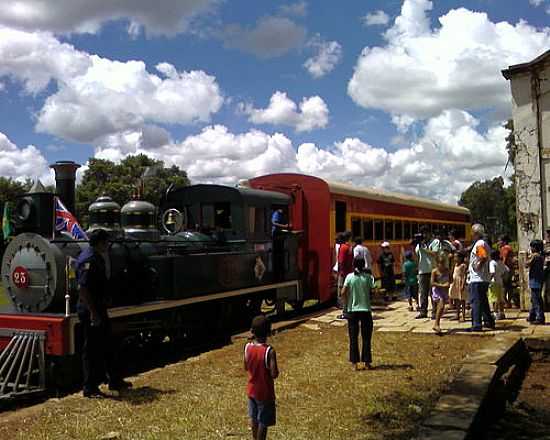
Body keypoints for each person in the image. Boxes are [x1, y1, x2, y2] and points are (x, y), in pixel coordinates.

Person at [76, 229, 131, 398]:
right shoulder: (89, 259)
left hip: (98, 307)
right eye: (106, 242)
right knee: (92, 349)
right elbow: (83, 288)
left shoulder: (96, 256)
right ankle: (89, 387)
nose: (108, 245)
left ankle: (114, 379)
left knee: (108, 344)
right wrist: (93, 313)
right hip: (90, 310)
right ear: (99, 242)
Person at [244, 315, 279, 440]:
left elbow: (246, 366)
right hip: (265, 393)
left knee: (254, 419)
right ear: (269, 332)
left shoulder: (247, 347)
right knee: (263, 422)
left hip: (251, 391)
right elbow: (274, 374)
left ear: (252, 331)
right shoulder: (269, 351)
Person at [341, 258, 375, 371]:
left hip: (352, 311)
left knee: (353, 337)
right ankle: (366, 362)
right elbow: (373, 291)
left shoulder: (349, 277)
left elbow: (343, 292)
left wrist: (346, 304)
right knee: (366, 338)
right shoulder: (368, 277)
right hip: (365, 310)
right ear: (364, 265)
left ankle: (354, 363)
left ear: (353, 264)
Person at [468, 224, 495, 332]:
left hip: (477, 278)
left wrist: (477, 266)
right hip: (482, 278)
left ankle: (476, 324)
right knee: (483, 301)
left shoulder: (479, 243)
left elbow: (483, 256)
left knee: (476, 302)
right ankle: (489, 321)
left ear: (476, 233)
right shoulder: (483, 243)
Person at [415, 228, 435, 319]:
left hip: (432, 270)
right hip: (422, 271)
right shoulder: (419, 245)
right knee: (423, 293)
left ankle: (435, 311)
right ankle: (423, 311)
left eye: (426, 233)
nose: (424, 236)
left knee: (433, 293)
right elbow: (417, 256)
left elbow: (435, 253)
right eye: (423, 234)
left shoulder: (435, 242)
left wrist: (424, 249)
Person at [526, 240, 546, 325]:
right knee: (534, 299)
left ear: (534, 248)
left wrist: (527, 256)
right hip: (539, 280)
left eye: (531, 247)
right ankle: (532, 315)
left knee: (536, 300)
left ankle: (539, 317)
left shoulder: (534, 256)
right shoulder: (541, 256)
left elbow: (527, 264)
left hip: (535, 281)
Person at [431, 255, 450, 334]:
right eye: (440, 263)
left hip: (444, 290)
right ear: (437, 263)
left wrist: (448, 283)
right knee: (441, 305)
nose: (441, 265)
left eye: (443, 263)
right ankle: (436, 324)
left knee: (441, 308)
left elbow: (450, 279)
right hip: (437, 290)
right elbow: (432, 283)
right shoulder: (434, 271)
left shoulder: (447, 270)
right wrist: (441, 285)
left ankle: (436, 323)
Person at [488, 250, 508, 320]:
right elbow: (506, 271)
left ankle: (495, 313)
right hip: (500, 282)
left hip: (493, 282)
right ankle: (502, 313)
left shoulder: (492, 263)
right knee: (500, 298)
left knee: (494, 298)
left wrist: (488, 280)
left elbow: (492, 272)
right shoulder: (500, 263)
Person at [337, 232, 354, 316]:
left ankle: (345, 312)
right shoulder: (349, 247)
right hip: (350, 272)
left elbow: (341, 262)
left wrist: (339, 273)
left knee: (343, 293)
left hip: (344, 273)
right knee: (348, 293)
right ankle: (349, 310)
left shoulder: (343, 248)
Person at [449, 252, 468, 321]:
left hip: (460, 283)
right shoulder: (455, 265)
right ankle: (457, 314)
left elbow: (464, 275)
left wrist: (463, 284)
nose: (455, 258)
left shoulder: (463, 265)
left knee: (462, 300)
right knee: (456, 299)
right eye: (454, 257)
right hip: (455, 283)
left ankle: (463, 315)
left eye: (457, 257)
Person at [498, 235, 515, 307]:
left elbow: (504, 259)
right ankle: (508, 302)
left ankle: (506, 302)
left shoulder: (505, 248)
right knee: (508, 285)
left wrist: (501, 269)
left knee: (505, 285)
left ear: (504, 241)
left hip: (506, 269)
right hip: (510, 269)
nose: (499, 242)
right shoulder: (508, 248)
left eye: (500, 241)